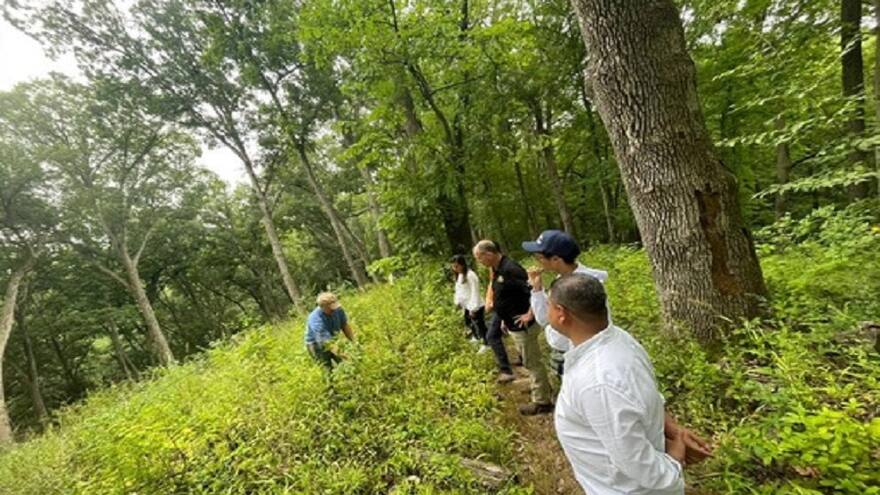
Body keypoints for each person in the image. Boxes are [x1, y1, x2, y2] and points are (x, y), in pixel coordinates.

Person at [547, 274, 711, 494]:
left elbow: (635, 460)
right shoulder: (618, 339)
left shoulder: (598, 381)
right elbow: (645, 398)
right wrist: (673, 429)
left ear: (561, 313)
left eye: (548, 304)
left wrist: (673, 464)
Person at [472, 240, 553, 415]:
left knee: (532, 362)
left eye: (479, 258)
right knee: (527, 358)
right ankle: (538, 387)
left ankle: (542, 401)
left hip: (523, 324)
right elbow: (503, 295)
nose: (479, 262)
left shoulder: (511, 269)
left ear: (489, 254)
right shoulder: (497, 269)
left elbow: (534, 290)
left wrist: (530, 314)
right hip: (511, 323)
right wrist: (503, 317)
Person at [522, 229, 610, 377]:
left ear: (556, 259)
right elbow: (546, 318)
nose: (537, 262)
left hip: (577, 355)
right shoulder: (561, 279)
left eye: (539, 257)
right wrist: (537, 288)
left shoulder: (583, 285)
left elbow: (545, 320)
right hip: (564, 351)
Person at [304, 292, 355, 369]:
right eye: (331, 308)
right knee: (327, 368)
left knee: (344, 365)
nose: (334, 310)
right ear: (323, 307)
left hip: (332, 338)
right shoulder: (315, 319)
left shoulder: (338, 309)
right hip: (316, 344)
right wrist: (344, 355)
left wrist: (353, 342)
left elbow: (344, 325)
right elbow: (327, 342)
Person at [451, 255, 489, 352]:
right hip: (466, 305)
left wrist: (473, 308)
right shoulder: (459, 275)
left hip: (475, 305)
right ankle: (476, 337)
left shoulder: (470, 275)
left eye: (457, 266)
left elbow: (475, 292)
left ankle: (487, 343)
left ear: (462, 265)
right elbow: (458, 290)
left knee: (480, 324)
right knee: (469, 322)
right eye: (453, 266)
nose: (455, 269)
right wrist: (458, 301)